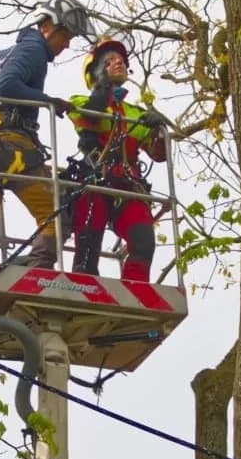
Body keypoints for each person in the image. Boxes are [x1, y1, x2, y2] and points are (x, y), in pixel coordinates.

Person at [0, 0, 97, 268]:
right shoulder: (33, 50)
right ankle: (34, 270)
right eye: (65, 35)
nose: (67, 44)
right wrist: (48, 101)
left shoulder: (3, 55)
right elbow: (6, 85)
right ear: (46, 25)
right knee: (56, 220)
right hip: (13, 150)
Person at [65, 37, 169, 282]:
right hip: (96, 182)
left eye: (120, 60)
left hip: (128, 186)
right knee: (88, 248)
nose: (118, 63)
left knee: (143, 241)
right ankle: (84, 285)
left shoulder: (134, 113)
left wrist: (157, 129)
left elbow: (158, 154)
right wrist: (103, 86)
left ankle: (135, 289)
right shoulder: (80, 102)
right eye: (109, 61)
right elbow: (89, 119)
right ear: (96, 72)